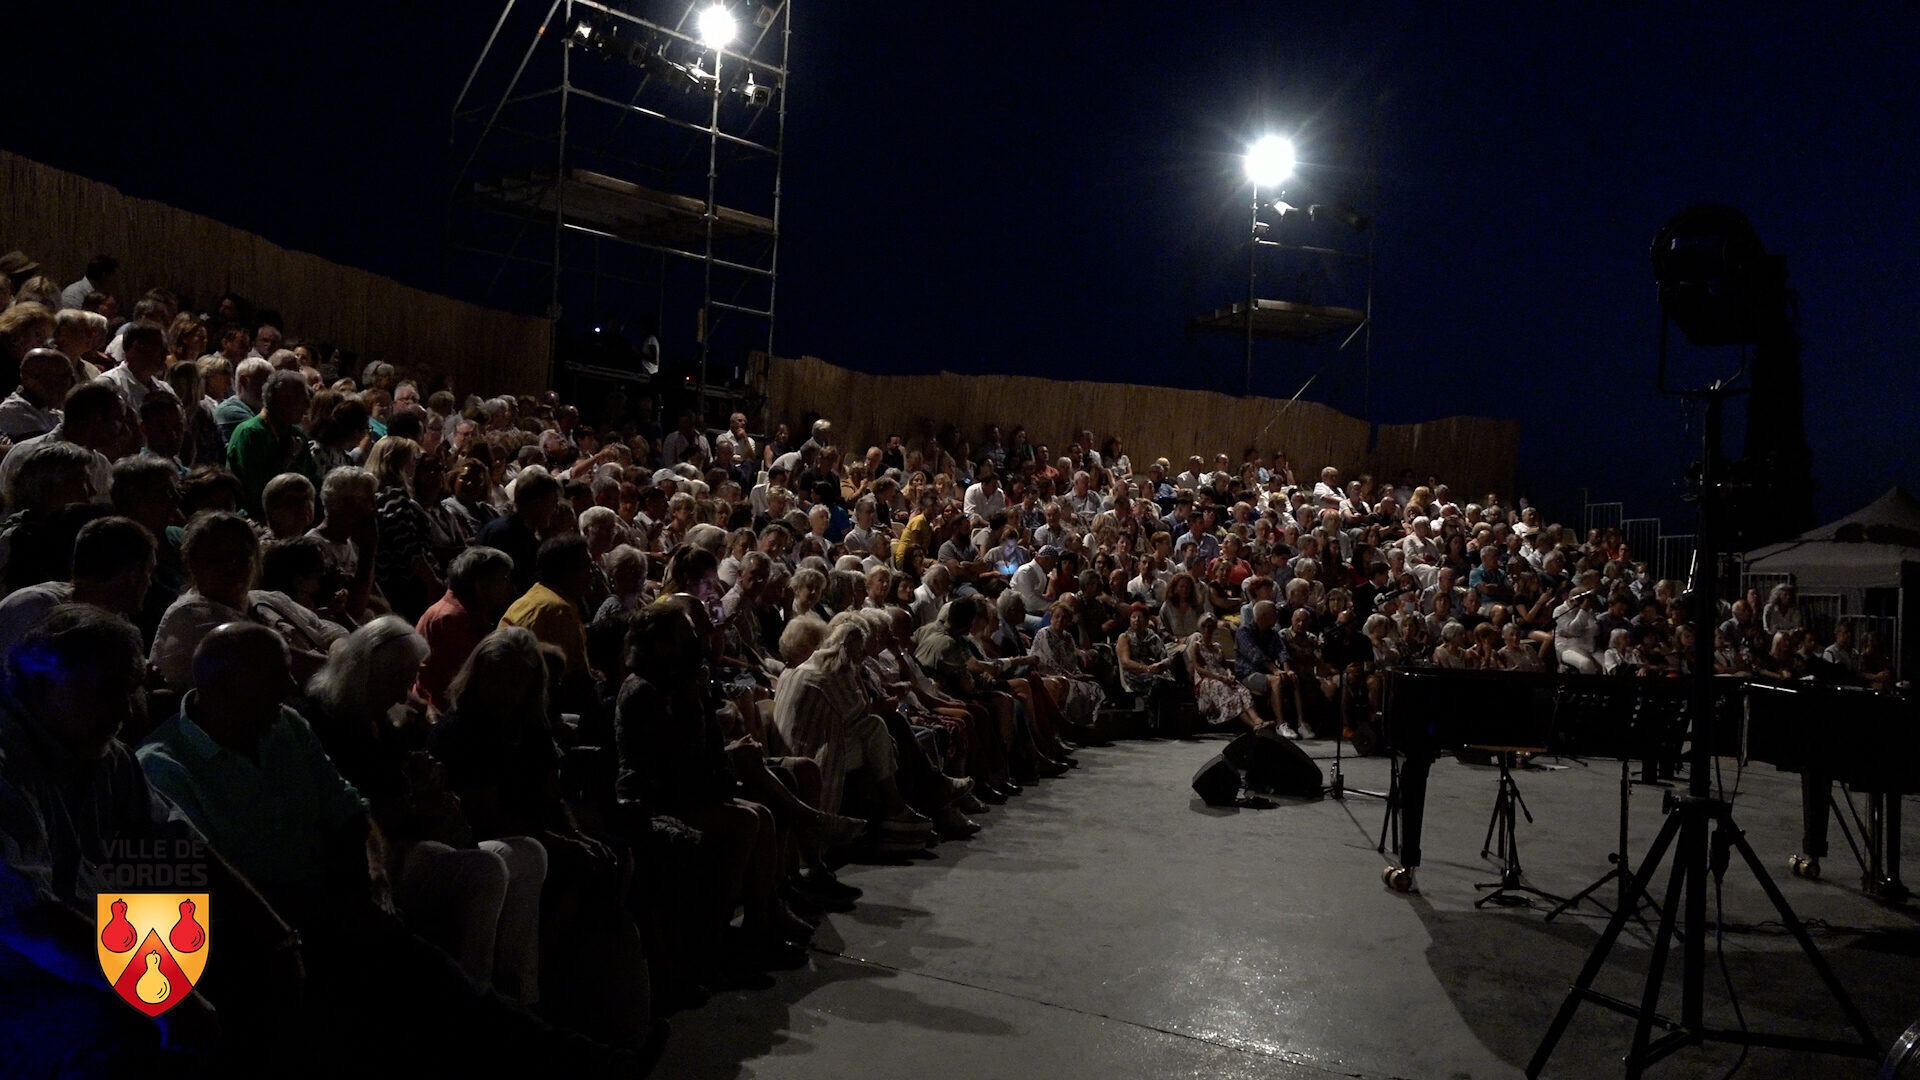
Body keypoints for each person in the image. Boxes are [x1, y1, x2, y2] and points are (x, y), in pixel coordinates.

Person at [302, 616, 546, 1002]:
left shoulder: (386, 720)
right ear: (369, 673)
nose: (404, 695)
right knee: (485, 868)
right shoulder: (329, 723)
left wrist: (426, 784)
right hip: (375, 854)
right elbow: (351, 816)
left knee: (528, 854)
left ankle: (518, 992)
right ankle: (473, 998)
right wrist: (415, 805)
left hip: (413, 839)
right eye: (398, 681)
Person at [226, 370, 321, 519]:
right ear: (282, 401)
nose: (307, 406)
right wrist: (288, 458)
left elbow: (312, 479)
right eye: (301, 399)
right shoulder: (250, 433)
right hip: (255, 518)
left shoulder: (296, 432)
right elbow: (255, 490)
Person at [478, 469, 561, 597]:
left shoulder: (529, 535)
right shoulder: (504, 534)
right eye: (552, 503)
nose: (555, 510)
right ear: (536, 503)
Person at [1235, 601, 1302, 736]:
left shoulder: (1272, 634)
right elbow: (1255, 654)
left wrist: (1287, 669)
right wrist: (1275, 670)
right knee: (1276, 681)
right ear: (1263, 616)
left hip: (1268, 673)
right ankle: (1280, 724)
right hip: (1248, 673)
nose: (1277, 616)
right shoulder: (1244, 631)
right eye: (1274, 614)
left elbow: (1281, 652)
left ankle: (1301, 723)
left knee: (1292, 678)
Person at [0, 347, 72, 441]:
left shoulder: (53, 411)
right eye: (58, 377)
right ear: (28, 378)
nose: (65, 385)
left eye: (68, 377)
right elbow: (44, 449)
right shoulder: (13, 411)